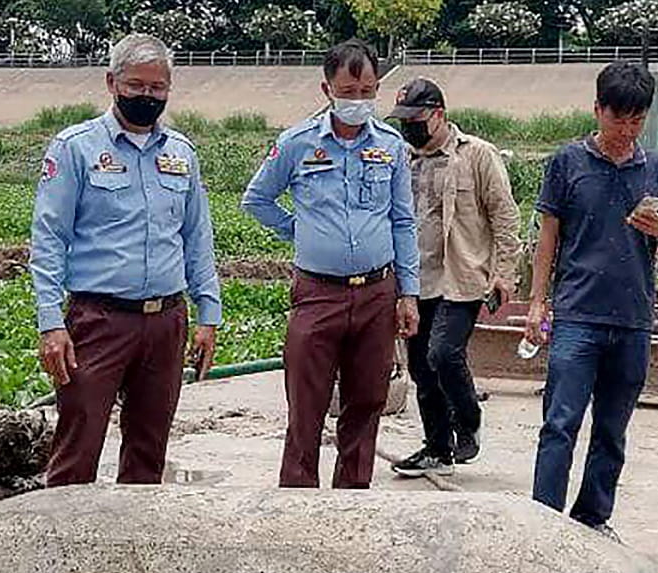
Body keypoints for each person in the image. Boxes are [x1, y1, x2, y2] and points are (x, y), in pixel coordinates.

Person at [31, 34, 220, 485]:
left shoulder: (181, 154)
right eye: (136, 86)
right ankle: (64, 543)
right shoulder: (74, 148)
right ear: (112, 82)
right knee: (79, 442)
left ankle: (135, 546)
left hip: (165, 321)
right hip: (99, 320)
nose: (147, 97)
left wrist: (208, 314)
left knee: (149, 450)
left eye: (158, 88)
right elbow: (48, 238)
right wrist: (50, 323)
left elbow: (197, 239)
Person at [242, 40, 421, 489]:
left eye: (367, 91)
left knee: (367, 401)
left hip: (378, 291)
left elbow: (402, 219)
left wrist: (409, 293)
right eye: (348, 90)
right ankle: (299, 500)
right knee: (307, 403)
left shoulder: (391, 146)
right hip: (317, 292)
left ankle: (352, 499)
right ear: (327, 88)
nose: (358, 101)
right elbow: (257, 199)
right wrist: (297, 230)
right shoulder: (297, 143)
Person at [522, 62, 658, 540]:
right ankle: (544, 524)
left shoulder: (657, 169)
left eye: (636, 121)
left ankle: (592, 520)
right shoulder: (567, 163)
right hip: (577, 315)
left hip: (633, 318)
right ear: (598, 111)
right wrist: (538, 301)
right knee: (560, 423)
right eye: (618, 120)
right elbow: (547, 237)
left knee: (612, 431)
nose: (626, 131)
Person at [387, 77, 521, 477]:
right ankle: (437, 448)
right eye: (403, 119)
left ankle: (469, 418)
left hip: (462, 276)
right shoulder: (400, 160)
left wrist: (504, 274)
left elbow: (504, 215)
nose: (408, 126)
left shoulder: (477, 155)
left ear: (438, 115)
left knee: (443, 354)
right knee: (421, 369)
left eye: (415, 118)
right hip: (415, 280)